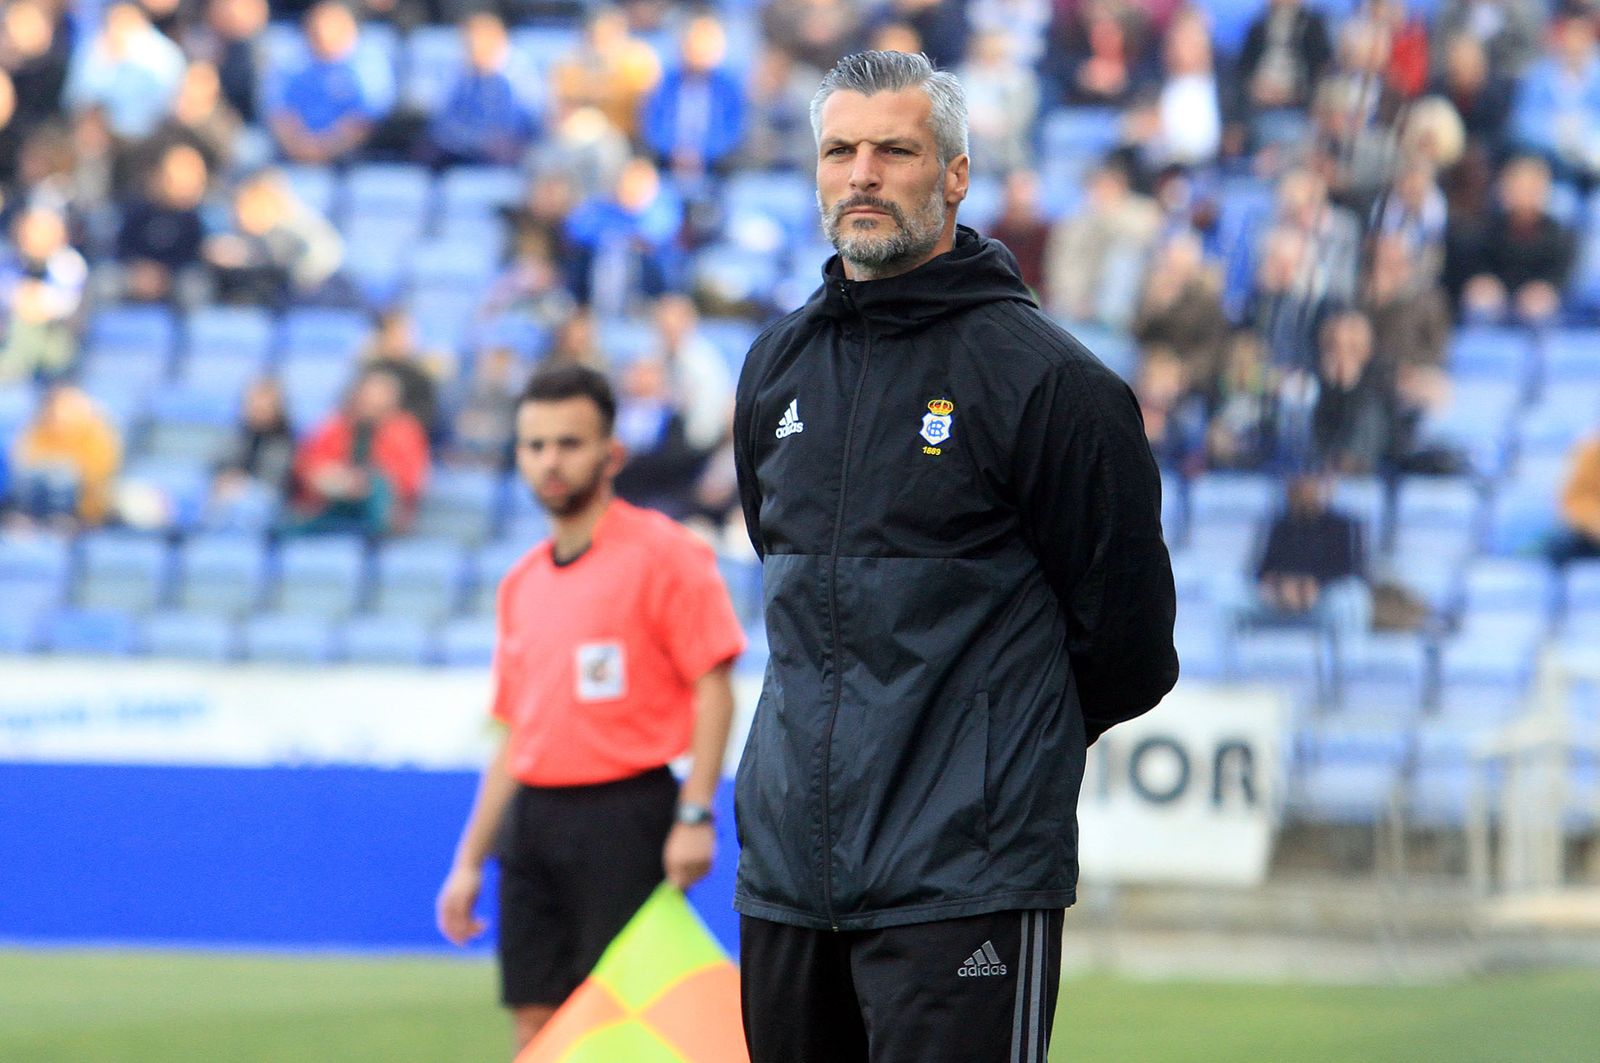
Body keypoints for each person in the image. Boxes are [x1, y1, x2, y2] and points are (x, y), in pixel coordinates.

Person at [732, 51, 1178, 1063]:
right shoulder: (774, 369)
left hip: (964, 881)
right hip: (791, 882)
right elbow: (793, 587)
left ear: (956, 175)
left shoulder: (1052, 385)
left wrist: (985, 762)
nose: (862, 173)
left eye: (894, 149)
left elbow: (1130, 647)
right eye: (839, 150)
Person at [435, 363, 745, 1053]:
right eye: (535, 445)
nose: (551, 460)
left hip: (626, 815)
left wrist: (695, 812)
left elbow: (716, 685)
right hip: (534, 822)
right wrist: (468, 860)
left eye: (569, 443)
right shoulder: (520, 584)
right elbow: (516, 734)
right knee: (535, 1023)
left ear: (611, 452)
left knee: (627, 1024)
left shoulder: (667, 554)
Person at [287, 368, 429, 536]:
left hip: (382, 511)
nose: (371, 401)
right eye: (368, 394)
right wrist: (331, 477)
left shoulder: (404, 431)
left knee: (377, 486)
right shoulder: (336, 425)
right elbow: (308, 464)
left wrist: (363, 482)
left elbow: (408, 480)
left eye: (379, 395)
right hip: (332, 503)